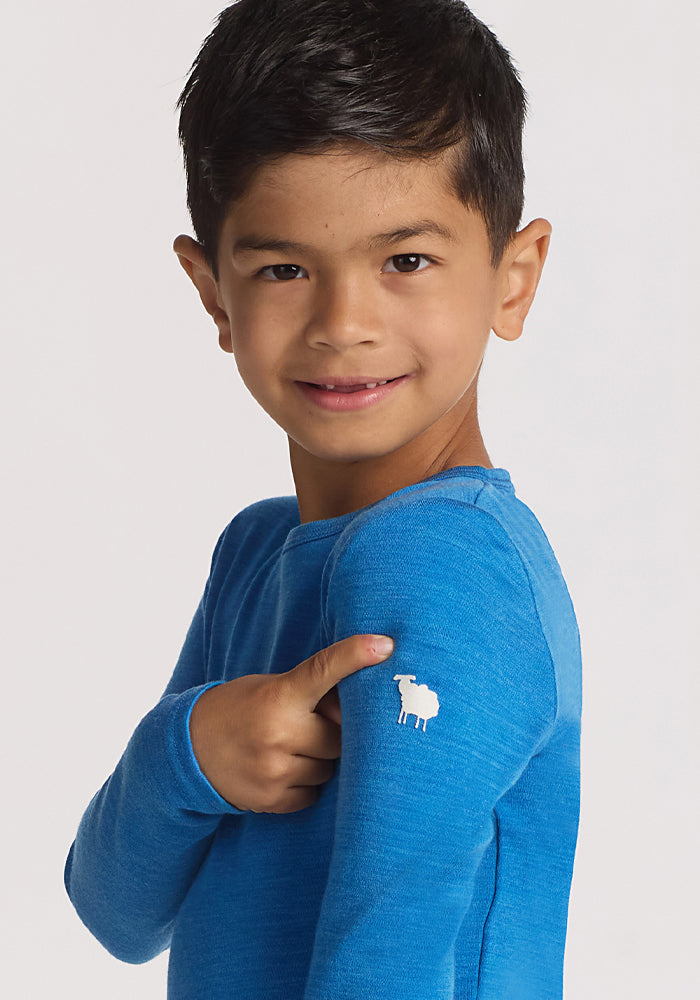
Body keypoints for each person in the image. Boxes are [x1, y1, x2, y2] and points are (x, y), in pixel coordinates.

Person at [64, 1, 582, 997]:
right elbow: (113, 908)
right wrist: (194, 750)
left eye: (406, 261)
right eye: (285, 268)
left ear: (511, 280)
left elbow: (390, 943)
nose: (344, 323)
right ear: (214, 293)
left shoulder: (441, 563)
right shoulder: (257, 554)